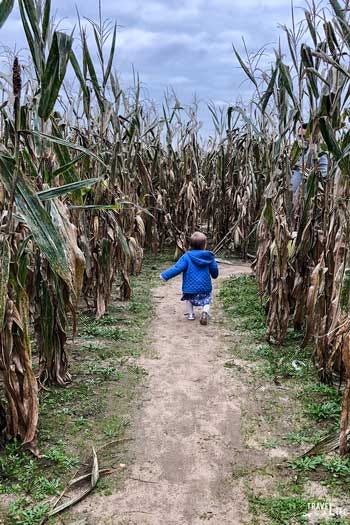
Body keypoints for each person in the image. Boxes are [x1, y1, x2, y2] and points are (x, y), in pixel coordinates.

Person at [160, 232, 219, 325]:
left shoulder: (187, 256)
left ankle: (190, 315)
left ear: (190, 245)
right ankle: (205, 312)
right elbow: (214, 268)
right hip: (205, 287)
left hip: (189, 288)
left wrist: (165, 276)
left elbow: (177, 268)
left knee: (189, 299)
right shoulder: (209, 257)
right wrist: (215, 275)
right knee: (207, 300)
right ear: (204, 245)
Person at [292, 123, 328, 194]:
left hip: (306, 198)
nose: (302, 139)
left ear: (313, 136)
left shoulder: (320, 154)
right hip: (293, 198)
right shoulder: (298, 152)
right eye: (300, 136)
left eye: (305, 136)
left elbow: (323, 175)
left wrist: (307, 171)